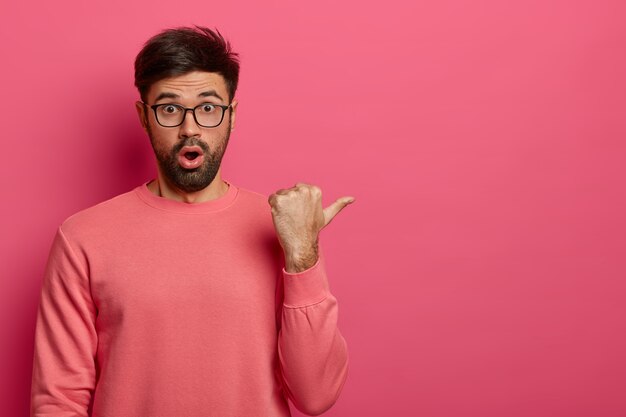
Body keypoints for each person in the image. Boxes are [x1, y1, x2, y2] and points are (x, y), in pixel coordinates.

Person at [30, 26, 354, 417]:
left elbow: (315, 396)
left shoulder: (282, 228)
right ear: (144, 118)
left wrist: (302, 254)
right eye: (169, 108)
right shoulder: (82, 237)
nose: (190, 129)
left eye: (208, 107)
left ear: (231, 116)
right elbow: (59, 400)